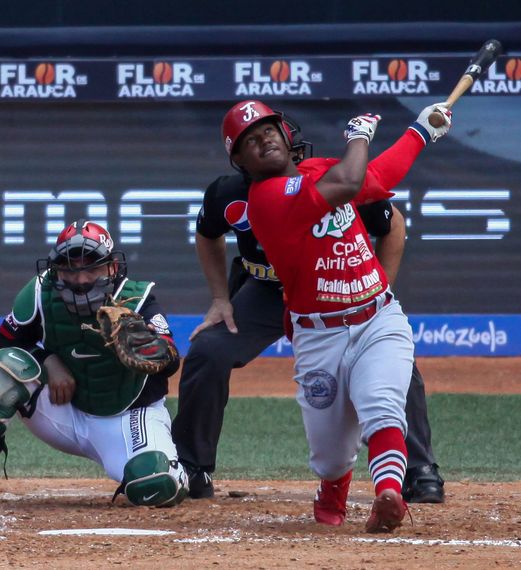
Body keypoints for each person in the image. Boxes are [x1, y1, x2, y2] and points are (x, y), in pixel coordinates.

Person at [172, 106, 447, 505]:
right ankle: (191, 468)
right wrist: (220, 298)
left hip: (335, 286)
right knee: (207, 351)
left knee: (395, 363)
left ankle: (419, 468)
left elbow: (393, 224)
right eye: (252, 138)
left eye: (270, 131)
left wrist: (375, 294)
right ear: (240, 160)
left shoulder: (325, 174)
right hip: (268, 290)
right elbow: (206, 234)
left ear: (288, 137)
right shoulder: (236, 194)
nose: (266, 140)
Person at [0, 220, 189, 510]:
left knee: (155, 484)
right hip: (64, 411)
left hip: (128, 418)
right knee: (8, 373)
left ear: (111, 267)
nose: (81, 279)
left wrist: (152, 350)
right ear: (56, 269)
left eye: (91, 268)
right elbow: (6, 343)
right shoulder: (40, 293)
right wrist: (48, 360)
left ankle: (181, 472)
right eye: (69, 269)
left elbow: (169, 360)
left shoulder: (137, 300)